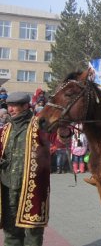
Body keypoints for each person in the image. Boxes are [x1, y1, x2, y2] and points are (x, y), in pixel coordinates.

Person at [0, 92, 56, 246]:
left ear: (25, 106)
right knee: (11, 232)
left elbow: (58, 139)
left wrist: (64, 132)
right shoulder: (5, 129)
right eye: (9, 106)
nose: (10, 109)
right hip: (8, 187)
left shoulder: (40, 126)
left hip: (31, 189)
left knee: (33, 233)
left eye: (14, 106)